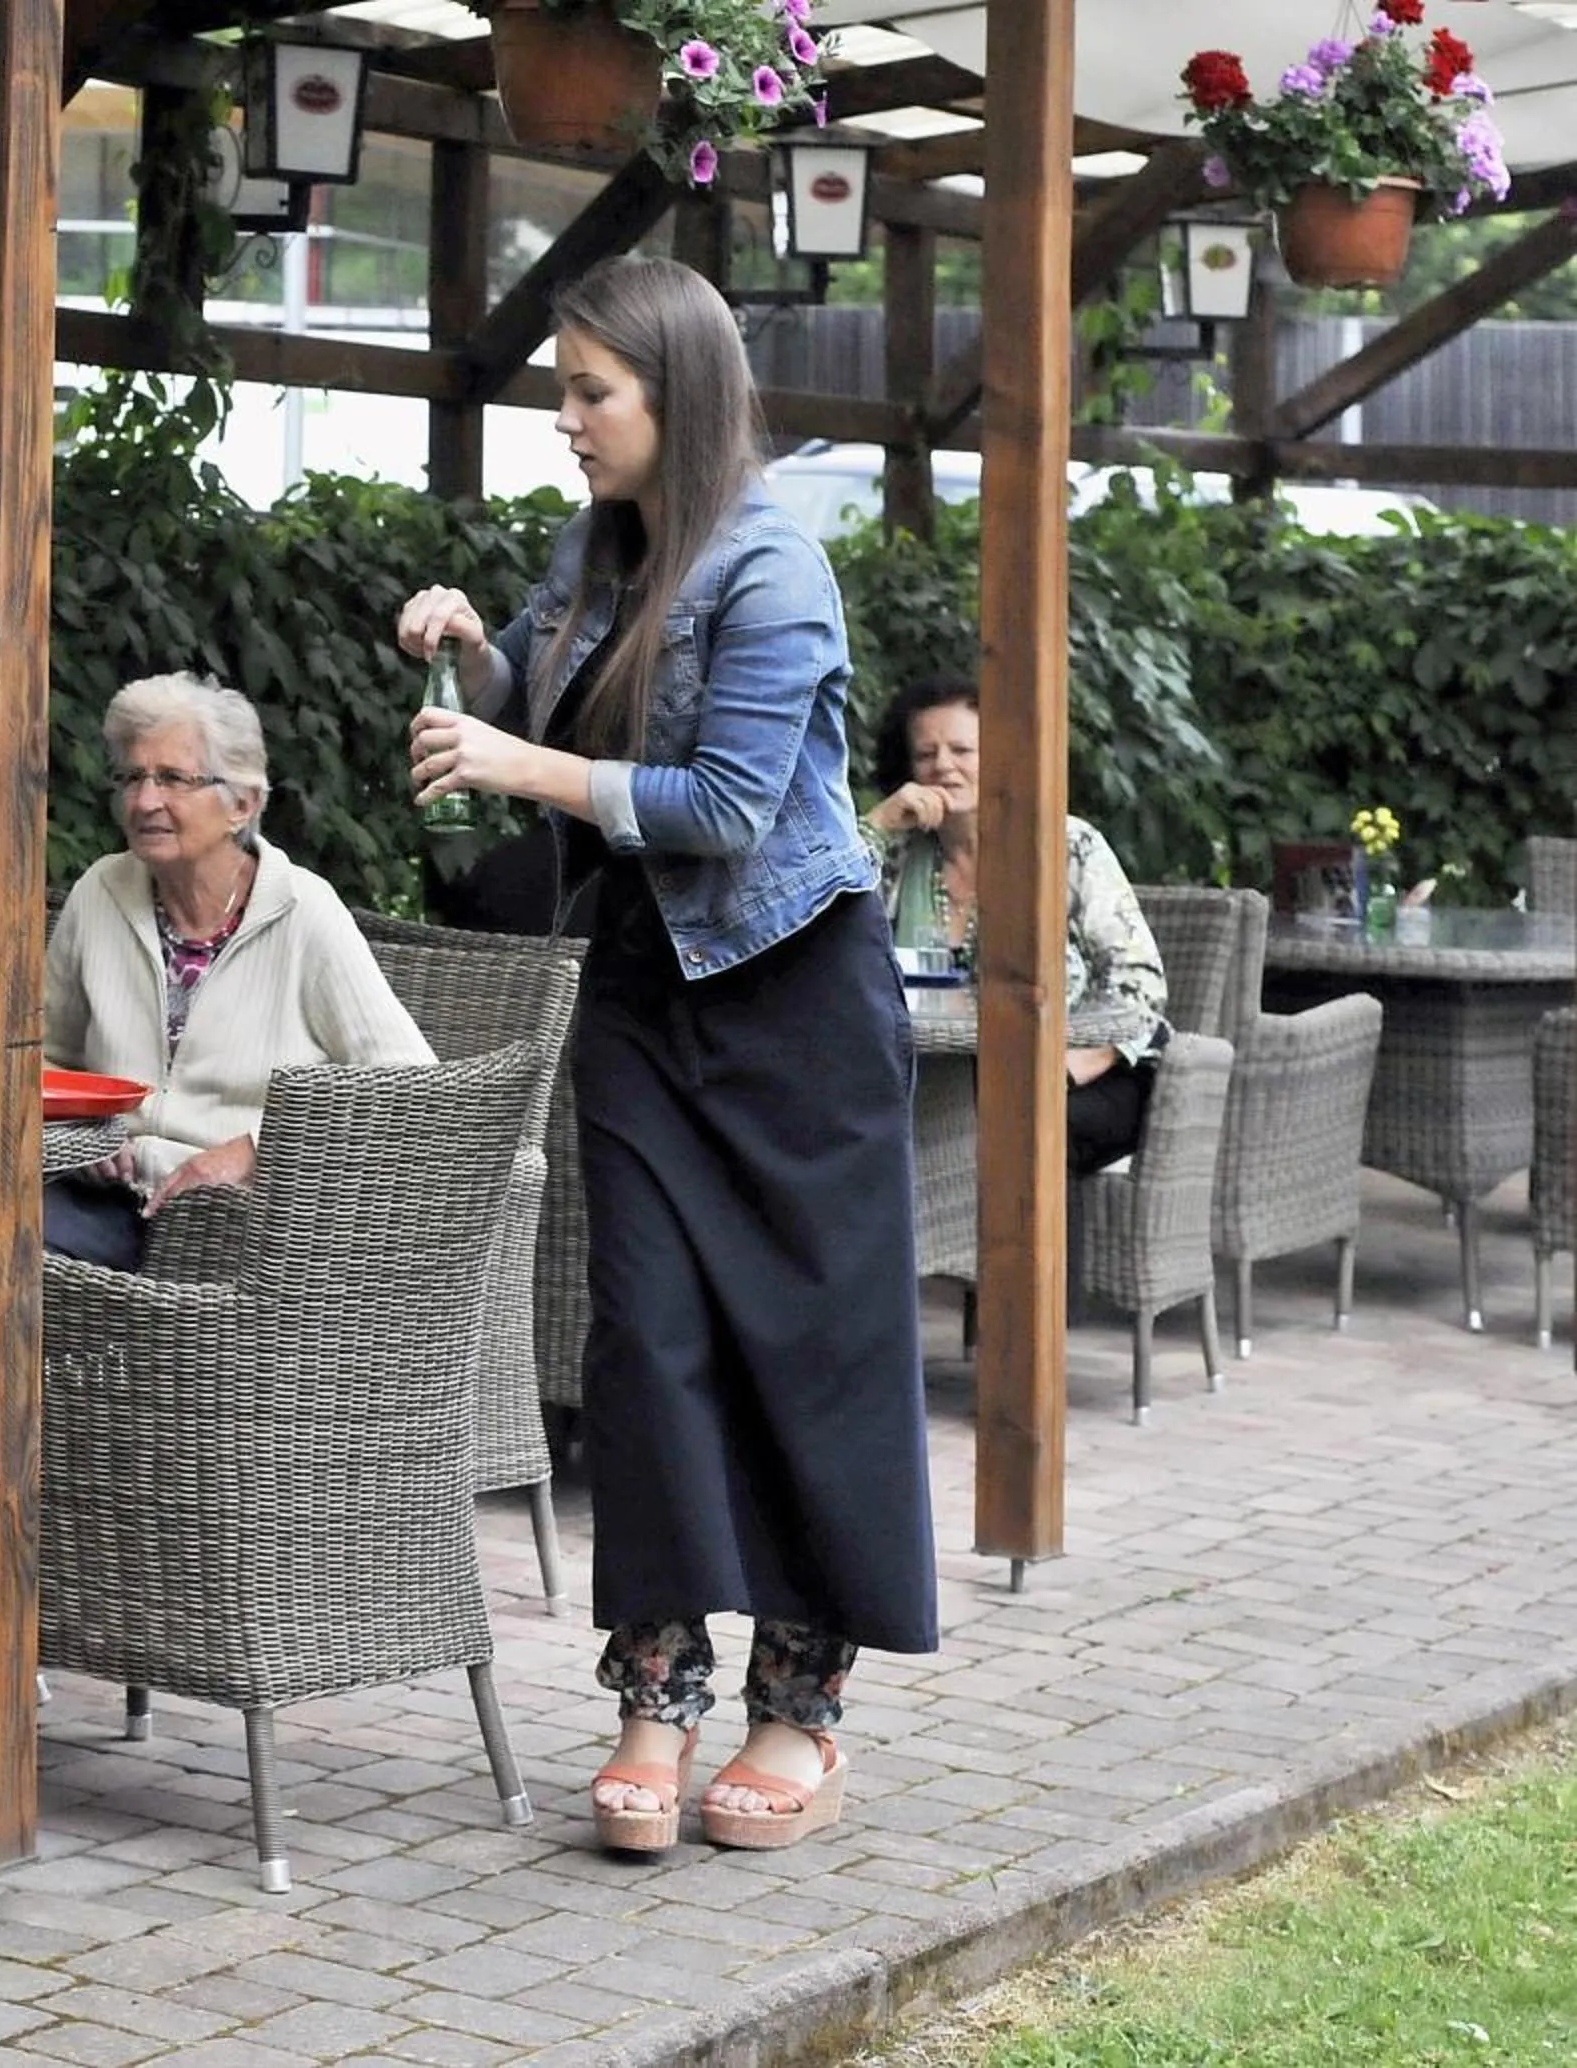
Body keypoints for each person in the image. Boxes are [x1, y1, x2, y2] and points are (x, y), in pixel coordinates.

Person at [392, 255, 932, 1855]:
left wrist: (515, 759)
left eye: (587, 393)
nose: (563, 421)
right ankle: (653, 1698)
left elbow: (724, 808)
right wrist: (477, 657)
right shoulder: (595, 545)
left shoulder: (779, 570)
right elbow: (561, 719)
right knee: (646, 1346)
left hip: (795, 1003)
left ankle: (799, 1717)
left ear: (674, 396)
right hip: (642, 985)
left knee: (804, 1365)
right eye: (561, 388)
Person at [43, 672, 432, 1272]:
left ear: (243, 804)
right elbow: (42, 1060)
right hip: (105, 1204)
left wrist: (257, 1156)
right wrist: (75, 1140)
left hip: (250, 1224)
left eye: (173, 778)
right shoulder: (101, 891)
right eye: (132, 777)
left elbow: (413, 1093)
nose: (145, 801)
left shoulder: (305, 912)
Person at [866, 673, 1171, 1177]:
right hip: (942, 1081)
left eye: (962, 749)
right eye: (926, 754)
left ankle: (1030, 1258)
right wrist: (876, 825)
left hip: (1090, 1073)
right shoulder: (899, 857)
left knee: (1023, 1133)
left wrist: (1063, 1071)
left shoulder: (1066, 845)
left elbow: (1140, 986)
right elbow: (825, 925)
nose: (943, 765)